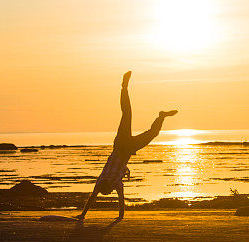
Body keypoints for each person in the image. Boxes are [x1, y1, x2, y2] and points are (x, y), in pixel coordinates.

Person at [76, 71, 177, 231]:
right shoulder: (104, 181)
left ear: (106, 185)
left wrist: (84, 215)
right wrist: (119, 216)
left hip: (122, 145)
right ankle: (161, 116)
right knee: (152, 133)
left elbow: (100, 200)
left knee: (127, 114)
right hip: (127, 147)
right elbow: (113, 200)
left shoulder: (109, 182)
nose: (109, 188)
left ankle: (124, 87)